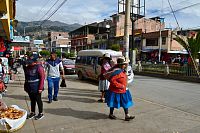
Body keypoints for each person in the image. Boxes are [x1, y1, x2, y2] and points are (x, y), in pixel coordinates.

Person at [104, 57, 135, 121]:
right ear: (121, 65)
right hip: (116, 91)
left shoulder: (122, 71)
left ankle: (127, 115)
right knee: (112, 103)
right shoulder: (117, 72)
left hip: (123, 91)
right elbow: (112, 81)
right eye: (124, 64)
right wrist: (121, 86)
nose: (126, 65)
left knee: (125, 103)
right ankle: (111, 114)